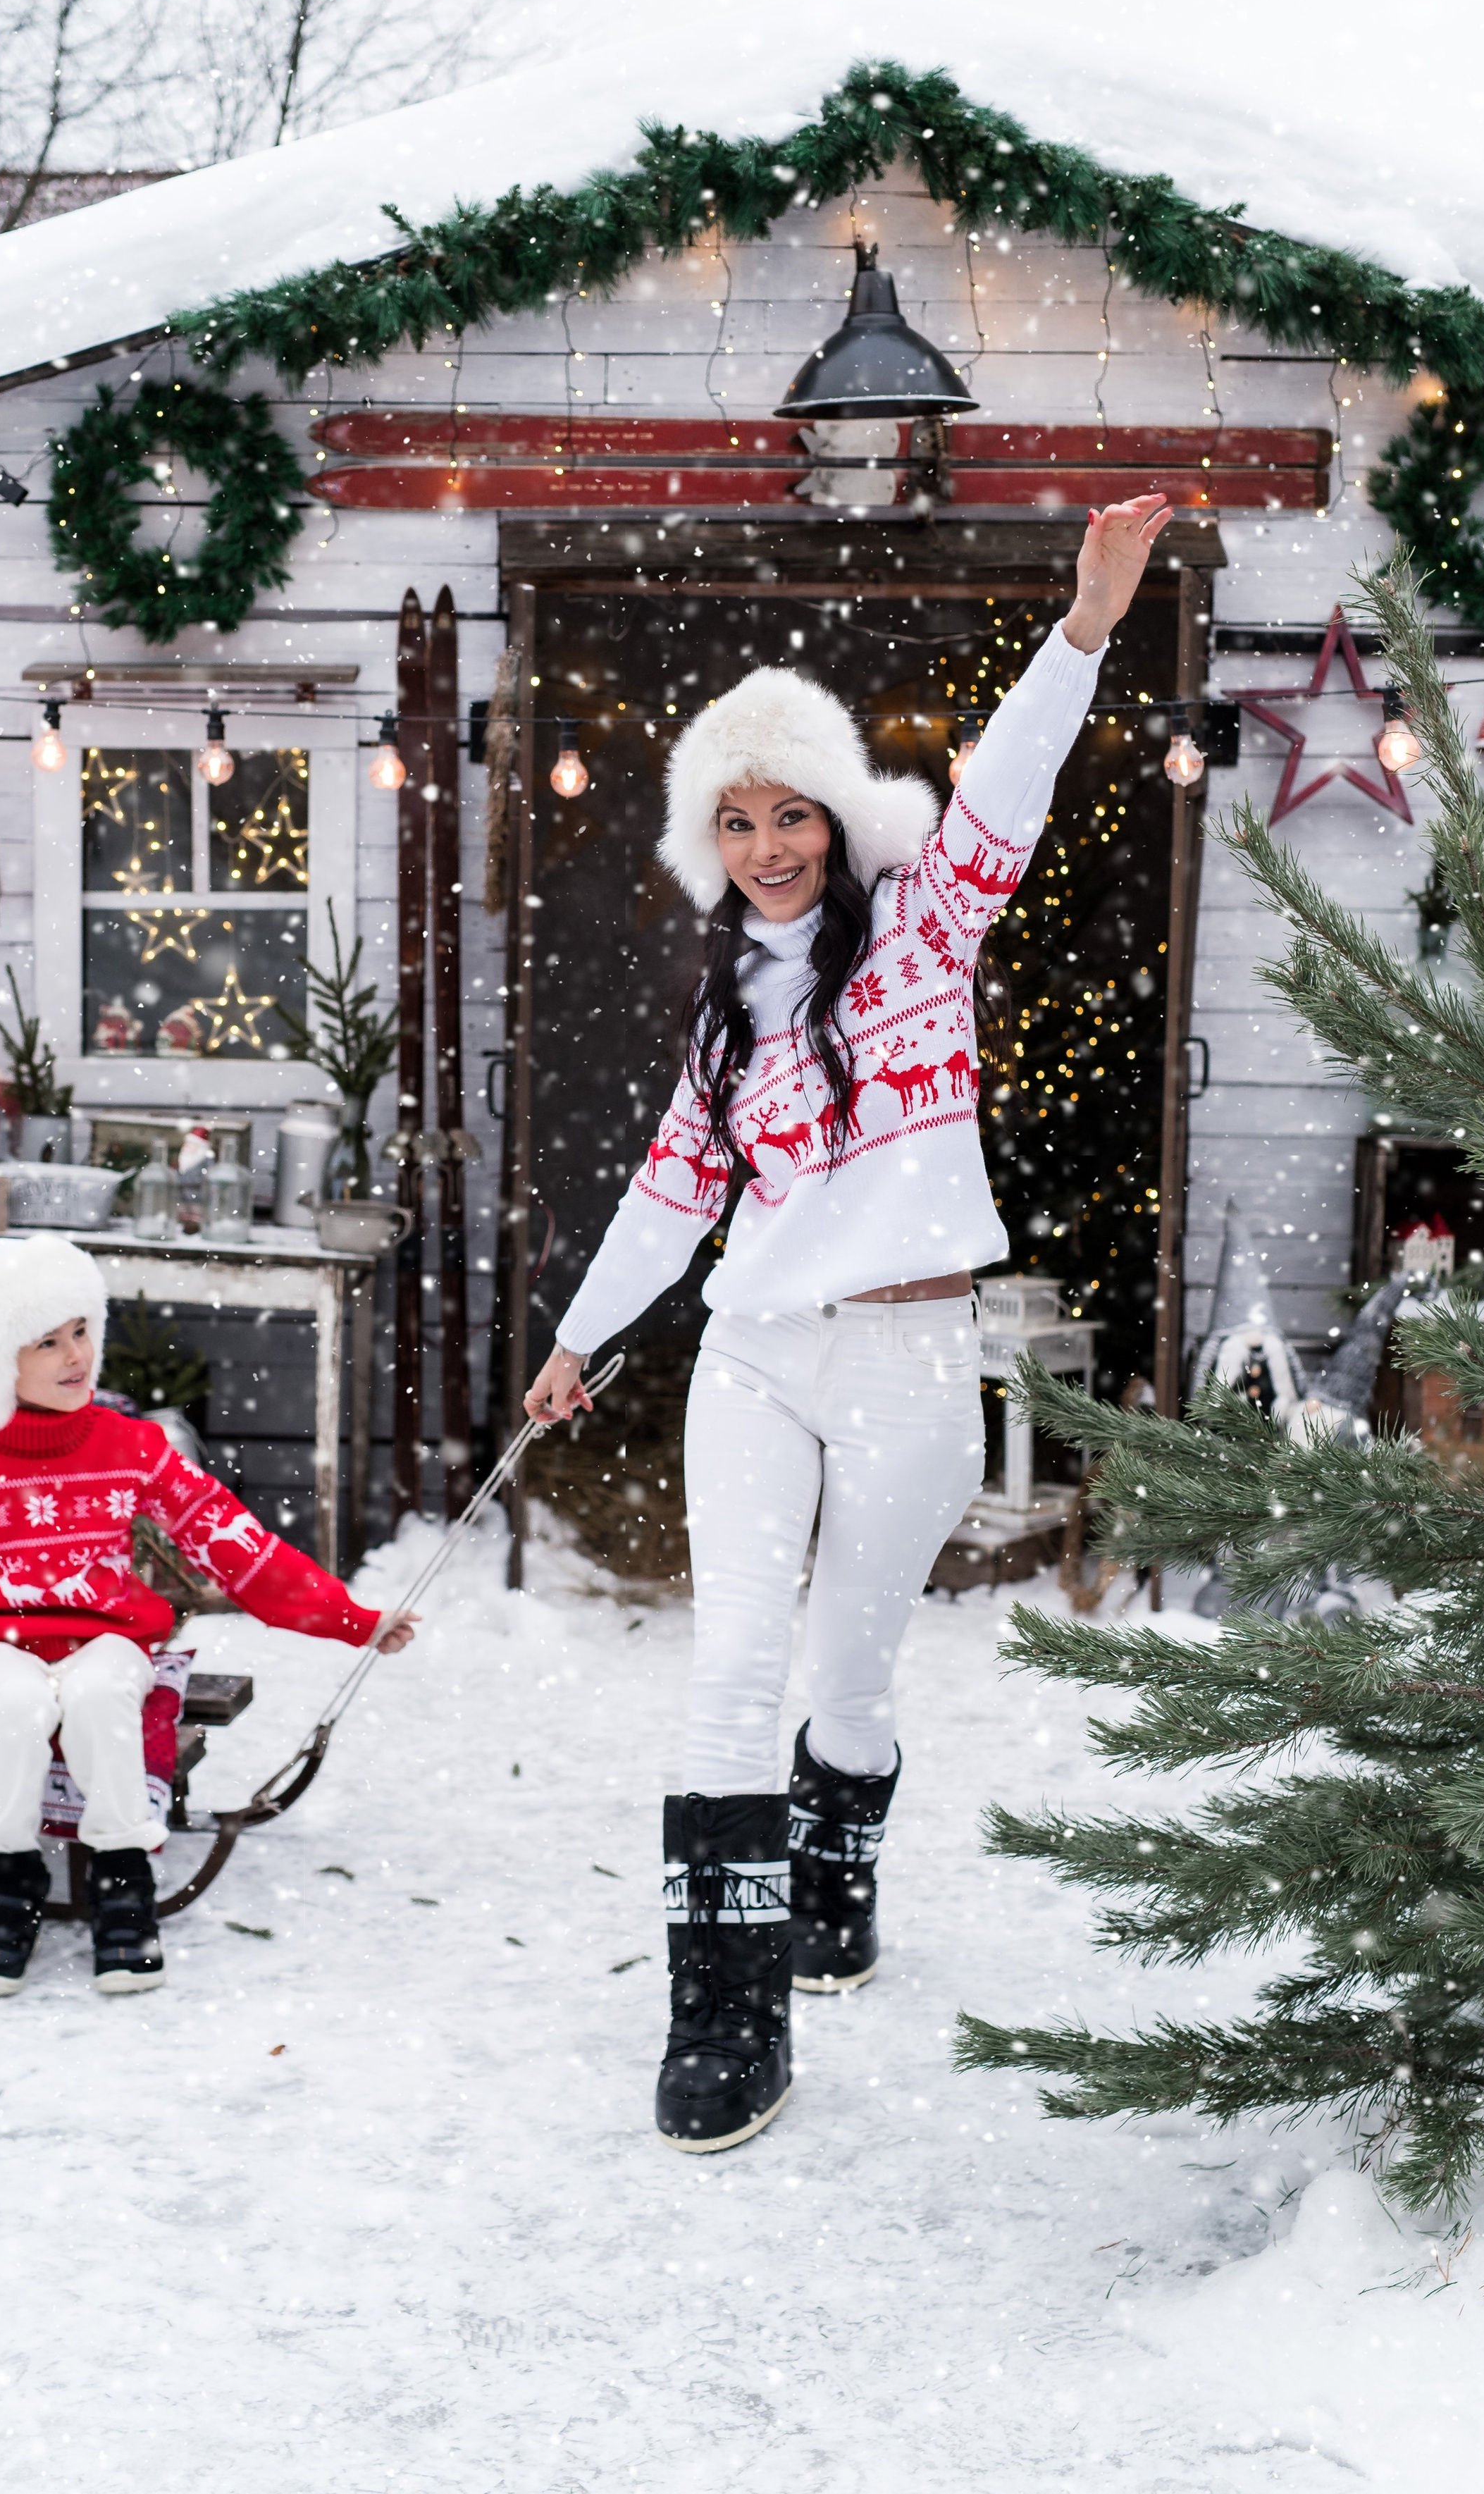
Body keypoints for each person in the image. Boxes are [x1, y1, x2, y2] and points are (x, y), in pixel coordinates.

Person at [525, 494, 1174, 2152]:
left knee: (846, 1674)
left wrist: (1083, 623)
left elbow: (1003, 794)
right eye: (731, 818)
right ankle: (721, 2019)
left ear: (830, 809)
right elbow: (672, 1193)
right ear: (706, 838)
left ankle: (835, 1872)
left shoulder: (925, 929)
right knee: (731, 1667)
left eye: (785, 808)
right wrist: (581, 1338)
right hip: (752, 1355)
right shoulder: (722, 1008)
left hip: (903, 1356)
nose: (765, 843)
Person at [0, 1233, 415, 1996]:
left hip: (106, 1637)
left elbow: (236, 1545)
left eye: (81, 1330)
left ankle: (123, 1887)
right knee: (16, 1703)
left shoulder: (130, 1446)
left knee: (99, 1696)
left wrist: (351, 1617)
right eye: (47, 1340)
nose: (75, 1355)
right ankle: (9, 1886)